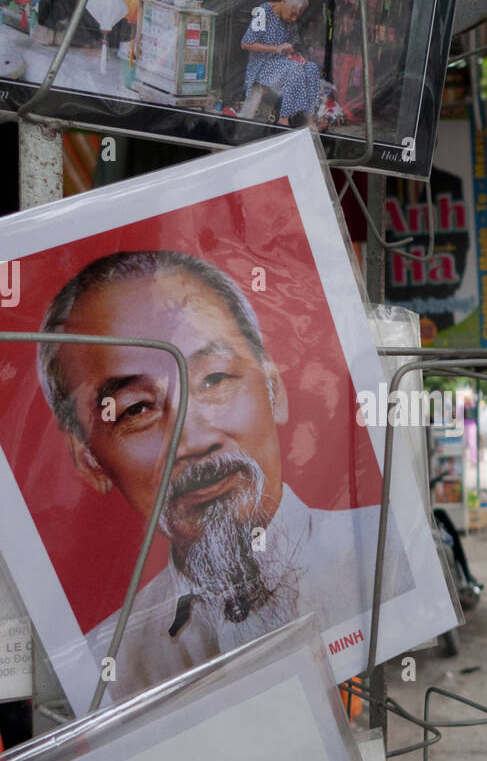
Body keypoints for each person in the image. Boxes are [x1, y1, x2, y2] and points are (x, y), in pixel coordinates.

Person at [36, 250, 411, 699]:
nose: (193, 440)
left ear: (274, 391)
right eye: (136, 408)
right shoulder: (107, 669)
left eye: (215, 380)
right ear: (90, 460)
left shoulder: (391, 559)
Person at [240, 0, 320, 127]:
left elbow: (294, 46)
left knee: (311, 68)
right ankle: (284, 120)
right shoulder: (264, 12)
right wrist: (276, 48)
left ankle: (309, 121)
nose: (294, 18)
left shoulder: (290, 21)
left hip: (281, 66)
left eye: (297, 16)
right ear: (283, 2)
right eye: (293, 13)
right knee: (295, 69)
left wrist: (297, 55)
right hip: (261, 67)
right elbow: (246, 43)